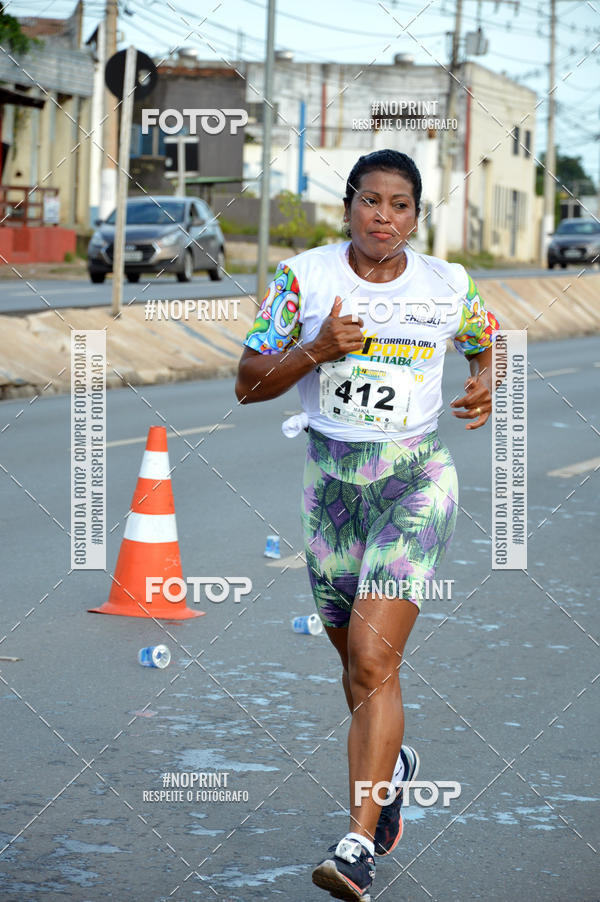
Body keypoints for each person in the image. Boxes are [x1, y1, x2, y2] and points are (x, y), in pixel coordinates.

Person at [235, 149, 499, 901]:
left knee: (376, 663)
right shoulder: (304, 280)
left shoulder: (448, 285)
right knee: (355, 668)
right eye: (371, 201)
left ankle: (356, 846)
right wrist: (317, 349)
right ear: (347, 206)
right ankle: (395, 774)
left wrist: (485, 383)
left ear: (417, 216)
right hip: (332, 489)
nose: (385, 216)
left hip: (416, 482)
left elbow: (488, 341)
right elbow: (248, 384)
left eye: (402, 205)